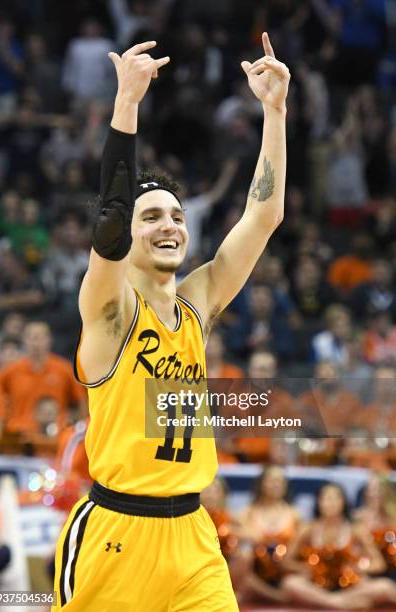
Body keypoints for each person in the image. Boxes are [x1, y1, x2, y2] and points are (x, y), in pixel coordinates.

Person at [52, 33, 290, 611]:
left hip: (192, 534)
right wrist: (126, 104)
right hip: (115, 536)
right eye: (152, 215)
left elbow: (263, 216)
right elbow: (108, 222)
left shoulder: (196, 303)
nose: (170, 225)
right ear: (129, 233)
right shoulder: (110, 311)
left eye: (177, 216)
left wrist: (275, 112)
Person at [282, 483, 396, 610]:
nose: (331, 503)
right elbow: (286, 561)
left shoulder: (355, 529)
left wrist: (360, 568)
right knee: (290, 583)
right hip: (316, 584)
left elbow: (378, 563)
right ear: (319, 502)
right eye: (327, 498)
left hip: (349, 585)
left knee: (385, 586)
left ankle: (330, 601)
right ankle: (336, 603)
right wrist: (303, 568)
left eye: (336, 498)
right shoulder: (308, 529)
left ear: (343, 502)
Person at [237, 465, 300, 605]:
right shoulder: (248, 513)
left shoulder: (295, 515)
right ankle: (279, 597)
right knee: (243, 556)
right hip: (255, 575)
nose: (275, 485)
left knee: (295, 582)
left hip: (284, 572)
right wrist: (247, 534)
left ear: (285, 485)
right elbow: (231, 533)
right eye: (271, 480)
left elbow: (302, 546)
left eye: (279, 481)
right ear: (262, 484)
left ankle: (279, 596)